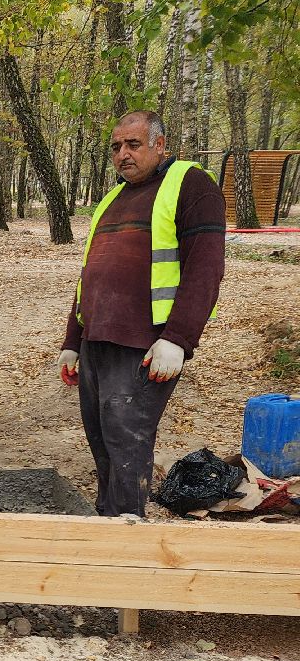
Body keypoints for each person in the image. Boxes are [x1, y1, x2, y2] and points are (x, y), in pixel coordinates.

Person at [58, 110, 225, 516]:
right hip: (97, 339)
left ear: (159, 145)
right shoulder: (114, 198)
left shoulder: (190, 184)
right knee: (100, 439)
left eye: (133, 144)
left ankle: (126, 530)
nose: (122, 154)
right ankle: (108, 521)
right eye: (116, 147)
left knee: (126, 439)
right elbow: (90, 274)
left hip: (145, 345)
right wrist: (72, 341)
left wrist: (178, 339)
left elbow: (206, 268)